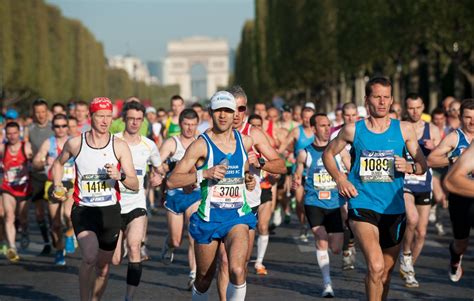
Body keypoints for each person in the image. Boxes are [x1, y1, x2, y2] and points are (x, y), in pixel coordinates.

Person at [322, 77, 427, 300]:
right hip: (363, 205)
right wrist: (341, 179)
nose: (382, 102)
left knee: (385, 275)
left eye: (386, 97)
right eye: (376, 97)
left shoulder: (405, 130)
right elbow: (328, 154)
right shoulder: (353, 130)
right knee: (376, 266)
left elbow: (422, 165)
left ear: (391, 100)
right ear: (367, 99)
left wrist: (410, 165)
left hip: (394, 208)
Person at [167, 91, 258, 301]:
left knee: (237, 269)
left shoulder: (245, 142)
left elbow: (243, 171)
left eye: (228, 111)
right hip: (209, 218)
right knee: (204, 278)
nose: (223, 116)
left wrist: (248, 179)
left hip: (237, 216)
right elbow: (172, 180)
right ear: (210, 113)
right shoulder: (201, 144)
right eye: (218, 111)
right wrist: (203, 174)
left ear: (235, 113)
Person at [51, 97, 139, 301]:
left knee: (103, 266)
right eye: (100, 116)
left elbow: (134, 184)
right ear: (91, 117)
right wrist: (57, 185)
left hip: (110, 211)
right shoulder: (75, 143)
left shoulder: (119, 146)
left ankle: (95, 299)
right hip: (84, 210)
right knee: (90, 257)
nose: (105, 120)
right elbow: (57, 164)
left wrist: (121, 176)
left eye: (109, 116)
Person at [108, 101, 162, 301]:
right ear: (124, 119)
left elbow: (159, 168)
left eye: (139, 119)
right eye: (131, 119)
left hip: (137, 205)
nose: (135, 123)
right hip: (113, 205)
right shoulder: (112, 141)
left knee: (134, 247)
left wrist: (159, 178)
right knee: (114, 260)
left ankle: (129, 298)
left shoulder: (149, 145)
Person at [294, 113, 345, 297]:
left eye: (328, 125)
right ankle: (327, 284)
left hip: (334, 203)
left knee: (336, 248)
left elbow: (351, 168)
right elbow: (298, 172)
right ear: (314, 128)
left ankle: (349, 243)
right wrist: (296, 179)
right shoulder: (305, 152)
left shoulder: (339, 151)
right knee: (321, 237)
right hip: (313, 202)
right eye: (322, 126)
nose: (326, 129)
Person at [427, 98, 474, 282]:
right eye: (468, 117)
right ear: (461, 118)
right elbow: (431, 159)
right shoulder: (455, 137)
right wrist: (455, 160)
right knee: (461, 242)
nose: (472, 121)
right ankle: (455, 257)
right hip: (459, 194)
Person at [399, 93, 441, 288]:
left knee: (422, 232)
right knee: (412, 219)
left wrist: (435, 148)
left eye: (418, 107)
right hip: (405, 182)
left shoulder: (432, 129)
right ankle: (405, 255)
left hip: (424, 182)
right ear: (406, 109)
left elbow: (443, 158)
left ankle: (409, 267)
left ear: (423, 107)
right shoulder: (400, 128)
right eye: (411, 108)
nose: (414, 112)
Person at [159, 108, 201, 290]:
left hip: (195, 193)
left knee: (193, 234)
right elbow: (157, 163)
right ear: (180, 124)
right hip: (175, 195)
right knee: (177, 240)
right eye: (186, 124)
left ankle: (193, 274)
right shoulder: (172, 143)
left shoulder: (201, 142)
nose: (190, 129)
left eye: (193, 125)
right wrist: (161, 170)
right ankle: (168, 244)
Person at [32, 114, 77, 265]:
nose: (61, 129)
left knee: (68, 214)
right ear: (53, 128)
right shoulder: (48, 143)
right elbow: (36, 163)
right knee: (56, 223)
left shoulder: (74, 142)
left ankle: (70, 233)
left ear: (68, 127)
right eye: (57, 126)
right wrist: (44, 161)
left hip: (71, 183)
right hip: (53, 185)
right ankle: (59, 250)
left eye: (64, 125)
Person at [278, 106, 315, 241]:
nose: (307, 120)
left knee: (313, 203)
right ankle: (303, 224)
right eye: (304, 117)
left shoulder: (318, 131)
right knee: (300, 202)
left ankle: (316, 225)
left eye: (310, 117)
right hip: (298, 172)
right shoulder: (296, 131)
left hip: (316, 173)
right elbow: (282, 147)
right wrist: (280, 155)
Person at [24, 98, 54, 254]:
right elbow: (26, 144)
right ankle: (47, 242)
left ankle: (57, 237)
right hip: (36, 174)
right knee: (39, 212)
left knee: (53, 211)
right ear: (33, 113)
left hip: (52, 174)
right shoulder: (29, 129)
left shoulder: (54, 127)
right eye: (37, 112)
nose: (41, 115)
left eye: (43, 112)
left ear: (47, 111)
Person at [329, 102, 358, 270]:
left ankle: (352, 241)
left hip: (359, 180)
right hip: (339, 180)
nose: (350, 118)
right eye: (347, 115)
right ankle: (347, 249)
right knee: (345, 214)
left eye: (353, 115)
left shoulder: (363, 131)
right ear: (342, 115)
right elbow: (328, 155)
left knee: (353, 217)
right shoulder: (335, 133)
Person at [1, 122, 33, 262]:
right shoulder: (3, 148)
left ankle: (25, 231)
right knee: (9, 216)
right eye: (9, 133)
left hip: (24, 188)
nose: (12, 136)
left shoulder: (25, 146)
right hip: (8, 187)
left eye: (14, 133)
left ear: (19, 133)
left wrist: (31, 162)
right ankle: (12, 247)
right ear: (5, 134)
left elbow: (33, 160)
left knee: (23, 217)